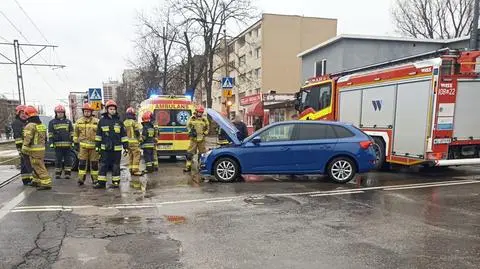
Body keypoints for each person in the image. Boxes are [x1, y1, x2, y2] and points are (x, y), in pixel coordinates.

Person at [95, 100, 128, 189]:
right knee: (103, 165)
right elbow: (98, 135)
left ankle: (116, 182)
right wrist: (97, 146)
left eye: (114, 109)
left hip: (116, 149)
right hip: (105, 149)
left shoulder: (119, 122)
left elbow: (123, 135)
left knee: (116, 165)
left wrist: (126, 146)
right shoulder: (101, 121)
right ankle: (101, 183)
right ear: (107, 109)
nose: (112, 110)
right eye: (110, 109)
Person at [22, 106, 51, 190]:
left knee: (38, 166)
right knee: (36, 165)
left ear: (28, 115)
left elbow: (27, 138)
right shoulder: (41, 125)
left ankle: (46, 183)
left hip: (34, 150)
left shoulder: (30, 125)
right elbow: (45, 137)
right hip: (41, 149)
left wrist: (24, 148)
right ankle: (36, 180)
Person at [73, 103, 100, 186]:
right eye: (85, 111)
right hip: (83, 147)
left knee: (94, 164)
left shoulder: (97, 121)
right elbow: (76, 134)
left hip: (94, 147)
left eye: (88, 111)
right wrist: (75, 143)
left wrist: (99, 145)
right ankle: (81, 179)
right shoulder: (79, 121)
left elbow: (100, 134)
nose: (87, 113)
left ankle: (95, 179)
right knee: (82, 164)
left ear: (91, 112)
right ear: (83, 112)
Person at [49, 105, 74, 179]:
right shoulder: (52, 122)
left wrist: (72, 141)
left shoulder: (68, 122)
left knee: (68, 160)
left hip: (67, 145)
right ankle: (58, 174)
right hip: (57, 145)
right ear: (56, 113)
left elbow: (71, 132)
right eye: (58, 112)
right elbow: (50, 134)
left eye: (61, 112)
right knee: (58, 160)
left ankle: (67, 174)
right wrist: (51, 142)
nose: (60, 114)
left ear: (64, 113)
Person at [12, 105, 33, 185]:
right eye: (22, 113)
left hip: (29, 146)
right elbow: (17, 137)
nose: (24, 115)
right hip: (22, 146)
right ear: (18, 113)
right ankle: (26, 180)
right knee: (25, 163)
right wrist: (20, 148)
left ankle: (30, 179)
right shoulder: (16, 123)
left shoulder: (27, 122)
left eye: (25, 113)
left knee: (29, 163)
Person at [184, 105, 209, 173]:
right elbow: (187, 126)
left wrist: (205, 133)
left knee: (202, 154)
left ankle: (200, 166)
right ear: (196, 112)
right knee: (189, 153)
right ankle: (188, 166)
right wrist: (190, 132)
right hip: (193, 139)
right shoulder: (192, 118)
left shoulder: (204, 119)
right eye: (199, 112)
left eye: (201, 112)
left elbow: (207, 128)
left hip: (201, 140)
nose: (200, 113)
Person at [123, 107, 142, 176]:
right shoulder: (134, 122)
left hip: (127, 142)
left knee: (130, 155)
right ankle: (135, 170)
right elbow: (137, 131)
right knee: (136, 155)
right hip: (134, 142)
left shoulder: (124, 122)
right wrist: (139, 138)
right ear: (133, 115)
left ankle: (131, 169)